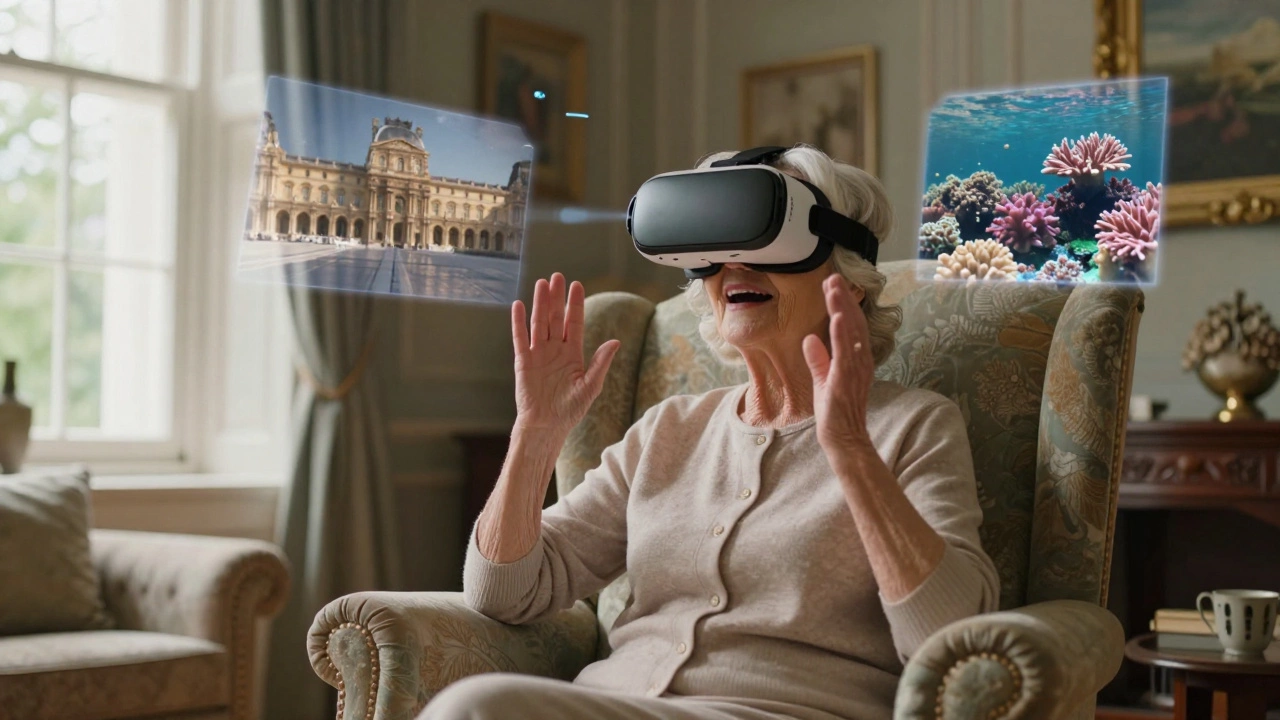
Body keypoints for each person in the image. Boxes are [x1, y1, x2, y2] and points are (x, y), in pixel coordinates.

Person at [420, 145, 999, 720]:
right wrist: (536, 434)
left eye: (769, 241)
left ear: (849, 284)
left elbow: (948, 637)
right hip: (615, 704)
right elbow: (504, 593)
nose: (735, 267)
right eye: (714, 250)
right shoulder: (668, 430)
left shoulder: (912, 426)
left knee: (475, 709)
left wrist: (849, 449)